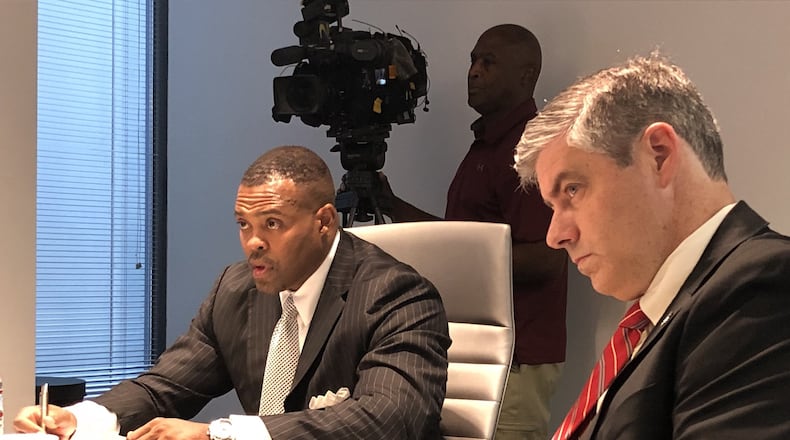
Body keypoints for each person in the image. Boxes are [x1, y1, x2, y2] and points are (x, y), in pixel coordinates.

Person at [16, 145, 451, 439]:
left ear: (323, 222)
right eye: (244, 224)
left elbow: (392, 416)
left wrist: (217, 434)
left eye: (272, 225)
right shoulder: (237, 288)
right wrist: (80, 418)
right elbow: (165, 387)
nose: (252, 243)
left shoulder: (396, 295)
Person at [514, 53, 790, 440]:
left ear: (658, 155)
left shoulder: (763, 289)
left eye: (572, 190)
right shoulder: (663, 312)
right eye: (552, 205)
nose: (555, 235)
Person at [382, 24, 567, 440]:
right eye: (472, 60)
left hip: (513, 360)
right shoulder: (486, 146)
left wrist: (453, 264)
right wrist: (392, 207)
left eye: (489, 62)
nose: (474, 71)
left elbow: (547, 258)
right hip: (467, 349)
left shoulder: (529, 150)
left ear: (526, 75)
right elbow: (463, 242)